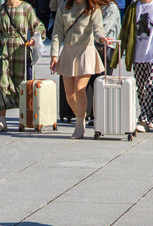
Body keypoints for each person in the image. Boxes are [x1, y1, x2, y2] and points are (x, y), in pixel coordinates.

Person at [110, 0, 153, 132]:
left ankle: (144, 119)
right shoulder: (133, 8)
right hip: (138, 55)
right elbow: (124, 31)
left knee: (151, 85)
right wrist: (117, 54)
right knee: (141, 89)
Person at [50, 0, 110, 139]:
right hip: (68, 52)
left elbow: (97, 29)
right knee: (69, 95)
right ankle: (82, 114)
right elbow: (57, 32)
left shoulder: (93, 8)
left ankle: (79, 127)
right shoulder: (63, 6)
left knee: (79, 88)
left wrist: (101, 38)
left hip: (85, 52)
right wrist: (54, 55)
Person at [0, 0, 46, 132]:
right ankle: (2, 121)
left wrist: (34, 39)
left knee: (22, 83)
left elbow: (39, 26)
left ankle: (24, 119)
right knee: (3, 83)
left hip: (21, 48)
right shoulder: (1, 10)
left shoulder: (26, 8)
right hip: (4, 49)